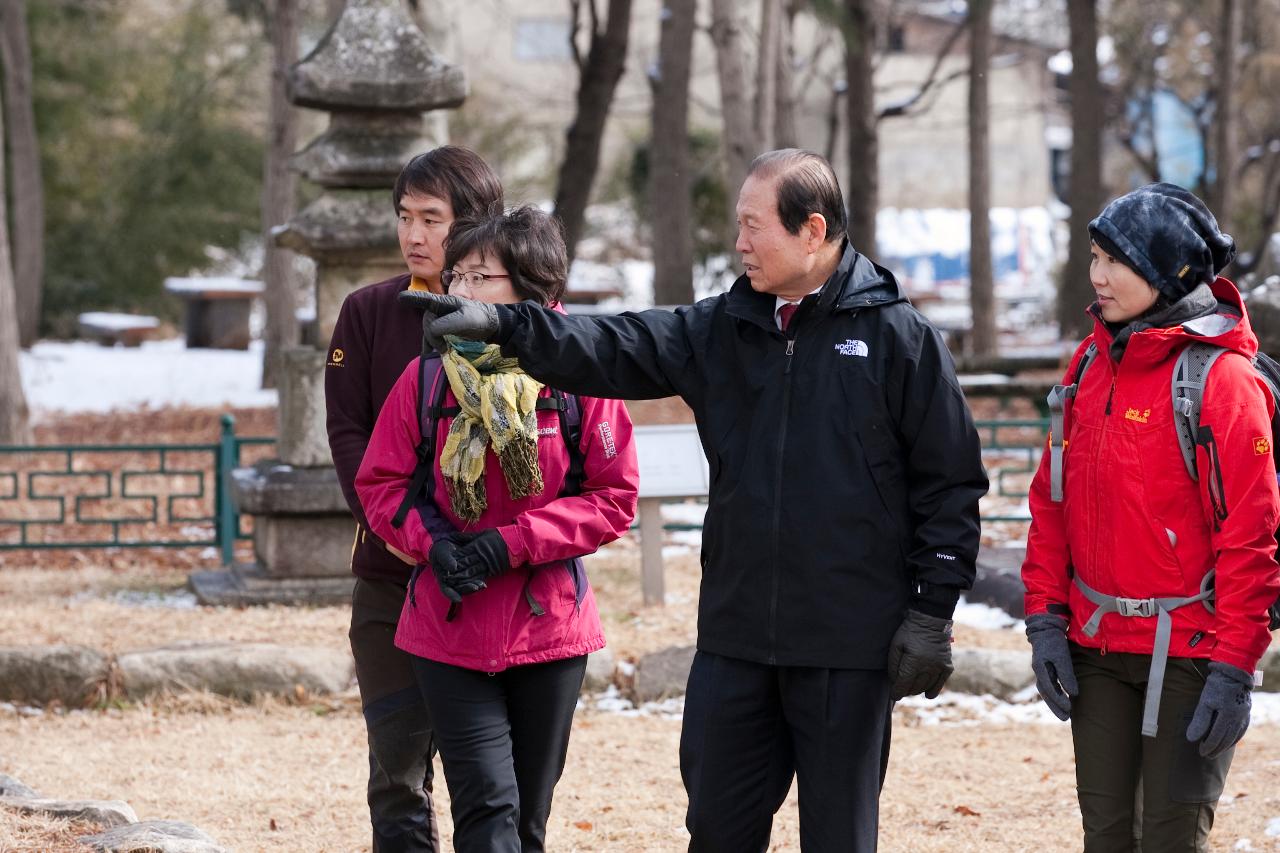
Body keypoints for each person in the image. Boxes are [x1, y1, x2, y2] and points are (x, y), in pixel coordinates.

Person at [408, 148, 989, 851]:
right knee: (715, 829)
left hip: (848, 646)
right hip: (736, 639)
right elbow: (616, 343)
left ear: (812, 230)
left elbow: (950, 482)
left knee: (839, 836)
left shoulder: (900, 338)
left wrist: (932, 612)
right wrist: (507, 327)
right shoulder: (724, 327)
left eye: (752, 226)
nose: (738, 242)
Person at [355, 206, 639, 853]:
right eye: (457, 277)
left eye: (482, 277)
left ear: (532, 290)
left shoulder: (578, 377)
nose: (460, 292)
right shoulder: (427, 375)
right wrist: (437, 542)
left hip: (549, 630)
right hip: (448, 626)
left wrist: (509, 542)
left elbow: (613, 495)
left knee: (527, 824)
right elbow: (381, 484)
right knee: (487, 809)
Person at [1021, 183, 1280, 852]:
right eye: (1094, 256)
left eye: (1117, 261)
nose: (1097, 276)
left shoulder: (1224, 383)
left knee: (1170, 839)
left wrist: (1234, 667)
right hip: (1097, 649)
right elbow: (1051, 499)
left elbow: (1251, 540)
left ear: (1169, 270)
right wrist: (1046, 618)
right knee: (1106, 837)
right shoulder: (1085, 367)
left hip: (1193, 655)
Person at [325, 146, 503, 852]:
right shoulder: (367, 310)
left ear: (473, 222)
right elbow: (348, 428)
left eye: (432, 217)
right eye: (405, 216)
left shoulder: (516, 318)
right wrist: (386, 521)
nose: (414, 234)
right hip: (391, 571)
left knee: (488, 780)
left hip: (484, 579)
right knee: (396, 771)